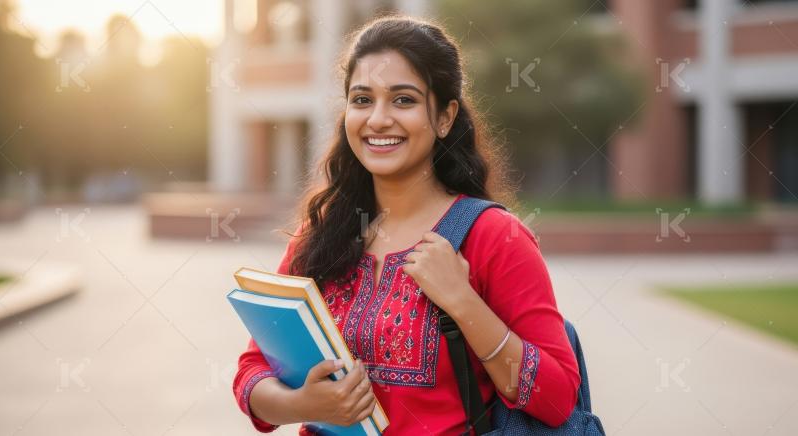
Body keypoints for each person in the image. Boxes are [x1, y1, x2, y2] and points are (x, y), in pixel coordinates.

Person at [232, 15, 580, 435]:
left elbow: (558, 397)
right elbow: (253, 370)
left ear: (445, 116)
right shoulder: (324, 234)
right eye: (362, 100)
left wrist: (464, 303)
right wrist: (302, 403)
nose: (378, 119)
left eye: (403, 100)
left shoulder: (493, 237)